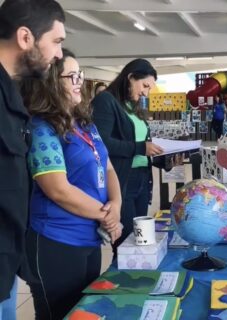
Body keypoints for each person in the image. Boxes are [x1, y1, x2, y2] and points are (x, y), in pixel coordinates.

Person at [21, 49, 122, 319]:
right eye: (72, 76)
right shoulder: (42, 128)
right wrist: (108, 216)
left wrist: (117, 205)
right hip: (56, 241)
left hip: (88, 241)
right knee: (60, 313)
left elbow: (108, 167)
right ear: (52, 82)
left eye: (81, 74)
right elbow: (58, 190)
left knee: (83, 312)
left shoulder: (85, 124)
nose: (80, 81)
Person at [0, 0, 65, 318]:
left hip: (7, 262)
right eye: (56, 41)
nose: (60, 55)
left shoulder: (11, 96)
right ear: (25, 37)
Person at [92, 58, 163, 257]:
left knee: (140, 240)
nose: (145, 93)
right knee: (126, 244)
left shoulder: (133, 107)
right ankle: (125, 284)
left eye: (149, 89)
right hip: (122, 181)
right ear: (131, 77)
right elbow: (102, 143)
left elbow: (141, 147)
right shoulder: (106, 101)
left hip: (142, 179)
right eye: (144, 85)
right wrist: (141, 147)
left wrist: (163, 159)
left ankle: (137, 280)